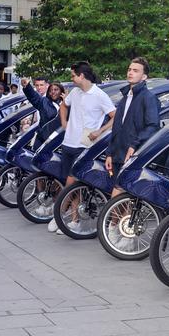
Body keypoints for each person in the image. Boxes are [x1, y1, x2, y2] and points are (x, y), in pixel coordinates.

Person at [51, 62, 116, 234]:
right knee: (69, 183)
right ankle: (69, 219)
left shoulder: (100, 95)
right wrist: (64, 122)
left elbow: (114, 117)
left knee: (72, 183)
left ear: (82, 76)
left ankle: (63, 216)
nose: (71, 79)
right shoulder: (75, 92)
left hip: (85, 145)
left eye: (73, 75)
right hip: (68, 142)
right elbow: (64, 104)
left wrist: (100, 130)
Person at [106, 57, 161, 197]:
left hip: (133, 154)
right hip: (118, 154)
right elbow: (117, 128)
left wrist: (134, 144)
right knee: (120, 201)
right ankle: (118, 220)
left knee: (117, 198)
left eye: (135, 71)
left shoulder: (148, 98)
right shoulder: (126, 96)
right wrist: (109, 153)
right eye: (129, 69)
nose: (130, 72)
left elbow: (153, 126)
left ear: (144, 76)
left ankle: (115, 220)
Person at [20, 76, 64, 144]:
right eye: (51, 90)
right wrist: (27, 86)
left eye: (56, 90)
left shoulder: (68, 104)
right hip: (44, 139)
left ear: (61, 92)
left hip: (61, 141)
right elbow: (34, 96)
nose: (53, 92)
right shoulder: (44, 102)